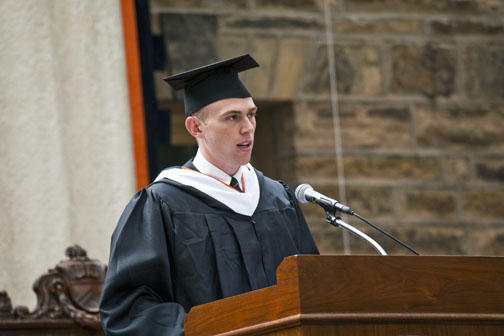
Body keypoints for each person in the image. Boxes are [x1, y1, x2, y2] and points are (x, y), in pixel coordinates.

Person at [99, 54, 319, 336]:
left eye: (251, 114)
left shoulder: (278, 198)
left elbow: (311, 287)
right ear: (195, 128)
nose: (247, 127)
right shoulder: (162, 204)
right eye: (232, 117)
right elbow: (129, 307)